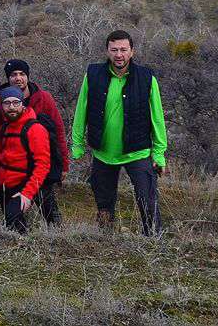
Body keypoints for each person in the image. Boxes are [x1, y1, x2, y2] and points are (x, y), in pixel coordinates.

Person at [71, 30, 168, 236]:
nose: (119, 54)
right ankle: (107, 239)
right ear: (107, 51)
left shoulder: (146, 78)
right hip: (103, 153)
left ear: (132, 52)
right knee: (104, 205)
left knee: (147, 201)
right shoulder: (93, 74)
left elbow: (157, 118)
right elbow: (81, 110)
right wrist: (77, 145)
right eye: (114, 49)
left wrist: (159, 153)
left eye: (123, 49)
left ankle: (154, 240)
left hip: (138, 151)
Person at [0, 59, 68, 225]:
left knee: (50, 213)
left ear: (27, 76)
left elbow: (58, 131)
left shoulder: (43, 98)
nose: (18, 78)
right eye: (13, 75)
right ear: (8, 78)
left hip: (40, 168)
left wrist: (63, 164)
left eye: (22, 74)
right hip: (12, 170)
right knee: (13, 218)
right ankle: (20, 243)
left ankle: (59, 241)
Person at [0, 87, 52, 233]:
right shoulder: (4, 128)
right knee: (13, 228)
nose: (11, 107)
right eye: (7, 103)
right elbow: (1, 160)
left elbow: (43, 164)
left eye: (16, 103)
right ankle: (22, 251)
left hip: (28, 185)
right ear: (2, 106)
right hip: (7, 187)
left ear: (23, 104)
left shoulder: (35, 129)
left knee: (52, 221)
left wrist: (27, 194)